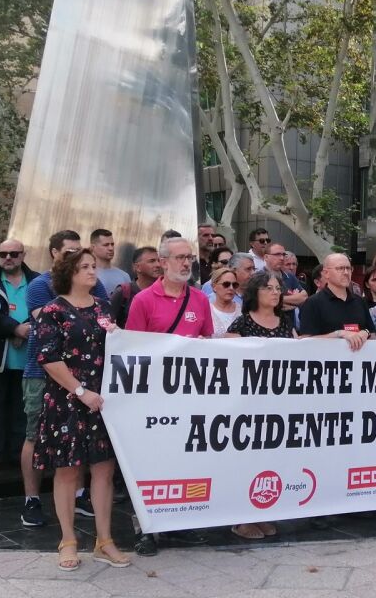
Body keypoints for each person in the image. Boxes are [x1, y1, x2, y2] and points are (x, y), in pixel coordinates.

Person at [31, 248, 130, 571]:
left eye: (93, 266)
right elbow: (48, 358)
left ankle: (105, 541)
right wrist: (80, 390)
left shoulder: (103, 306)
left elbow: (115, 347)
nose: (92, 271)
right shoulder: (53, 311)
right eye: (84, 267)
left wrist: (118, 337)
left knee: (104, 469)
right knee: (68, 470)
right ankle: (68, 540)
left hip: (102, 399)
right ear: (68, 273)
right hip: (67, 401)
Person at [124, 236, 213, 556]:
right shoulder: (143, 300)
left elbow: (208, 343)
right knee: (148, 463)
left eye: (190, 257)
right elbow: (131, 350)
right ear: (162, 262)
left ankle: (179, 523)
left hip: (189, 398)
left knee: (182, 461)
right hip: (153, 397)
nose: (187, 263)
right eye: (180, 257)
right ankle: (145, 528)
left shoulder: (200, 299)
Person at [220, 271, 291, 541]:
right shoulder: (243, 322)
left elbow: (301, 350)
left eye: (277, 288)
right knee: (245, 461)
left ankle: (260, 512)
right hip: (247, 405)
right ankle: (241, 519)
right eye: (268, 288)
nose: (275, 292)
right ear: (255, 293)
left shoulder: (285, 322)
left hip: (277, 404)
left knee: (268, 460)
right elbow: (228, 356)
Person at [0, 239, 39, 475]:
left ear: (23, 255)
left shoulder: (38, 281)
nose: (8, 258)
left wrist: (26, 329)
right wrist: (14, 329)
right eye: (3, 254)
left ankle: (18, 455)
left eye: (13, 253)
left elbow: (48, 309)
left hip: (30, 357)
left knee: (23, 409)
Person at [299, 254, 373, 348]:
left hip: (358, 356)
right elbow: (305, 342)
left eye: (348, 268)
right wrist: (339, 334)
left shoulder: (360, 302)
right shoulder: (313, 303)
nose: (346, 272)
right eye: (340, 268)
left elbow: (372, 333)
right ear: (326, 273)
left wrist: (366, 333)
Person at [109, 246, 160, 329]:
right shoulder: (123, 292)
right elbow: (107, 322)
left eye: (158, 261)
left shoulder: (164, 293)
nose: (158, 265)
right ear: (137, 267)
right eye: (152, 261)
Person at [90, 229, 131, 295]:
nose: (111, 248)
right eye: (106, 245)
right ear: (93, 247)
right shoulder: (88, 274)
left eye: (112, 244)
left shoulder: (124, 276)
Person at [207, 266, 242, 338]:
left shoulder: (242, 311)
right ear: (214, 286)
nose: (231, 288)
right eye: (226, 284)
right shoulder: (206, 311)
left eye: (234, 285)